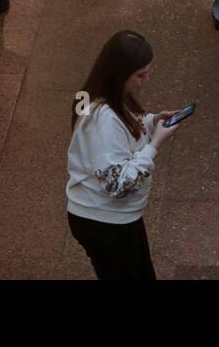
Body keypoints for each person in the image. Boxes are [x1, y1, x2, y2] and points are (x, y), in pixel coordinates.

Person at [67, 30, 184, 280]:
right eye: (140, 75)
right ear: (119, 75)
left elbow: (124, 131)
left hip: (115, 218)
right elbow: (120, 184)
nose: (146, 80)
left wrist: (152, 122)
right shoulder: (103, 121)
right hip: (106, 223)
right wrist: (155, 144)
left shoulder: (105, 98)